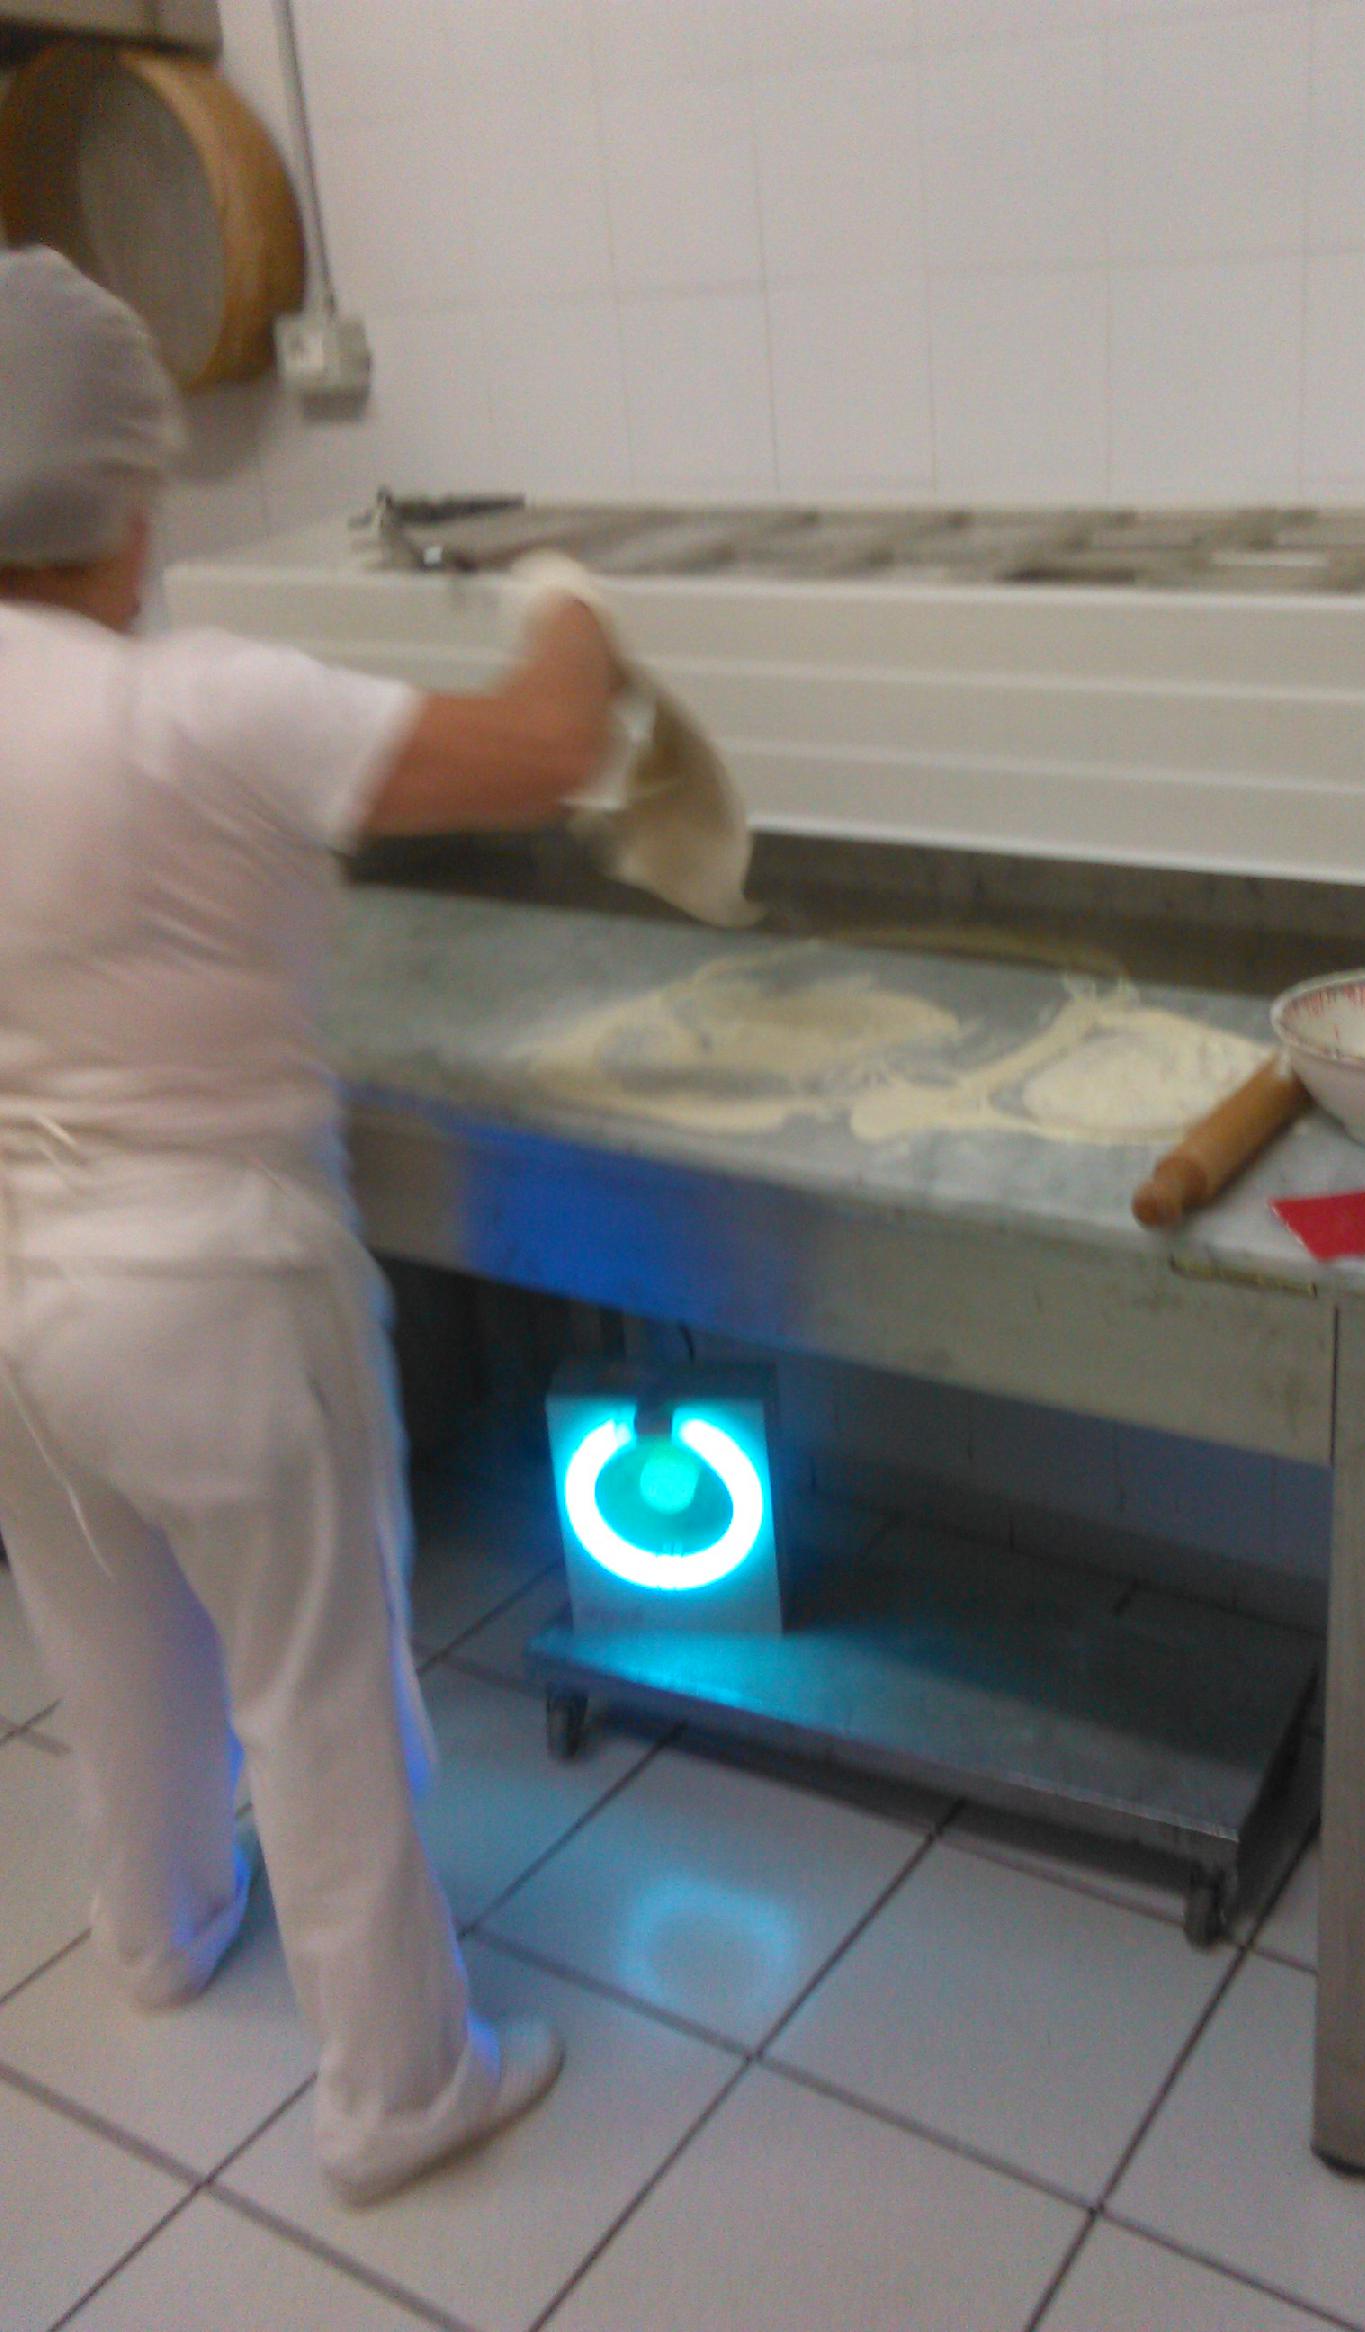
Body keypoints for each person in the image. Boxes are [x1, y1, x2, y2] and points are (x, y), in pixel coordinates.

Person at [0, 248, 621, 2205]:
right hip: (213, 1289)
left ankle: (159, 1930)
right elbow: (547, 746)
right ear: (130, 493)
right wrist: (564, 589)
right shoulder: (198, 705)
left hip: (16, 1293)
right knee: (317, 1683)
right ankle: (400, 2089)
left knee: (106, 1635)